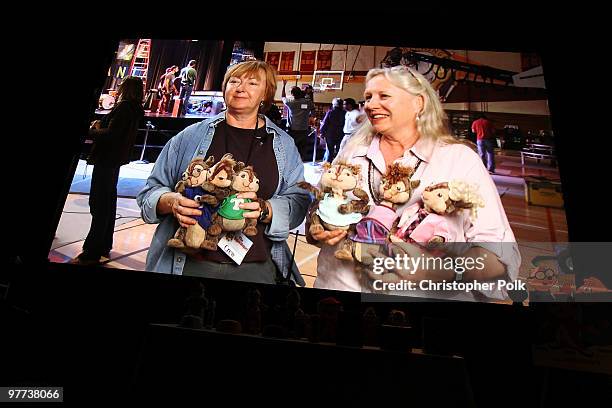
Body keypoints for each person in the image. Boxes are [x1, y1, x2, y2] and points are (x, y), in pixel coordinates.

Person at [307, 66, 520, 301]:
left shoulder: (458, 159)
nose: (369, 104)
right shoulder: (352, 150)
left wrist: (443, 272)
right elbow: (318, 207)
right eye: (368, 97)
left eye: (383, 96)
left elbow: (499, 256)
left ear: (418, 103)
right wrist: (318, 228)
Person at [137, 61, 310, 285]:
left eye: (252, 83)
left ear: (265, 95)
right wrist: (170, 201)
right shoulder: (190, 137)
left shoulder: (283, 145)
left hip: (255, 266)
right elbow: (149, 192)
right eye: (234, 81)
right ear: (225, 87)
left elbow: (298, 201)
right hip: (190, 262)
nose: (240, 87)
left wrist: (266, 210)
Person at [72, 76, 145, 265]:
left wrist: (92, 131)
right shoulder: (135, 110)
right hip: (114, 161)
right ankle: (104, 244)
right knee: (107, 203)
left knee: (99, 204)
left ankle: (92, 250)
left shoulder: (124, 108)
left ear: (126, 88)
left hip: (106, 159)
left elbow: (111, 135)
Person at [282, 79, 314, 161]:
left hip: (293, 130)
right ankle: (300, 163)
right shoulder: (308, 102)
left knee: (292, 148)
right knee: (302, 148)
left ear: (292, 94)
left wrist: (284, 85)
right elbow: (312, 107)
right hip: (304, 129)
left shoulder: (291, 103)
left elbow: (283, 97)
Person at [319, 98, 345, 162]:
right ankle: (336, 166)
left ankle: (327, 165)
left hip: (330, 134)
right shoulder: (345, 113)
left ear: (334, 105)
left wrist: (322, 132)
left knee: (329, 151)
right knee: (339, 151)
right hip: (341, 134)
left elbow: (324, 123)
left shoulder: (330, 112)